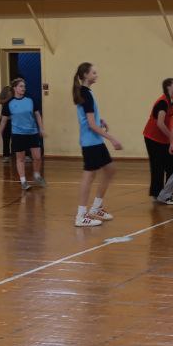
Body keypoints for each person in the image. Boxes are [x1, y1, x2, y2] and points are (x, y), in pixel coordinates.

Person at [71, 62, 124, 228]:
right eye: (93, 72)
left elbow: (90, 118)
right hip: (90, 142)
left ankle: (96, 208)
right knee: (89, 177)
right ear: (85, 75)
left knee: (110, 170)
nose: (96, 75)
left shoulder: (87, 92)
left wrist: (100, 119)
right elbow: (91, 125)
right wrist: (112, 138)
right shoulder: (84, 93)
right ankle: (81, 216)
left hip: (95, 141)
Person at [0, 77, 45, 191]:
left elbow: (37, 115)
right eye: (21, 86)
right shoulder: (9, 104)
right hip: (18, 134)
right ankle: (23, 181)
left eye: (24, 86)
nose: (23, 88)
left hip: (32, 132)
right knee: (20, 159)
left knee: (37, 157)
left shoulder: (30, 100)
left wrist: (41, 128)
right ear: (15, 88)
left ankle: (36, 175)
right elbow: (3, 120)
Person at [142, 77, 173, 202]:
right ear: (168, 87)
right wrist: (171, 136)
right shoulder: (162, 102)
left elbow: (172, 118)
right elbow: (160, 123)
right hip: (152, 138)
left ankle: (169, 188)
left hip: (164, 138)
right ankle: (157, 194)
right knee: (157, 166)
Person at [0, 83, 13, 163]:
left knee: (17, 138)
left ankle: (17, 155)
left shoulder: (20, 91)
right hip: (5, 119)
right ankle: (6, 156)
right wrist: (8, 98)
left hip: (15, 119)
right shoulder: (6, 89)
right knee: (6, 138)